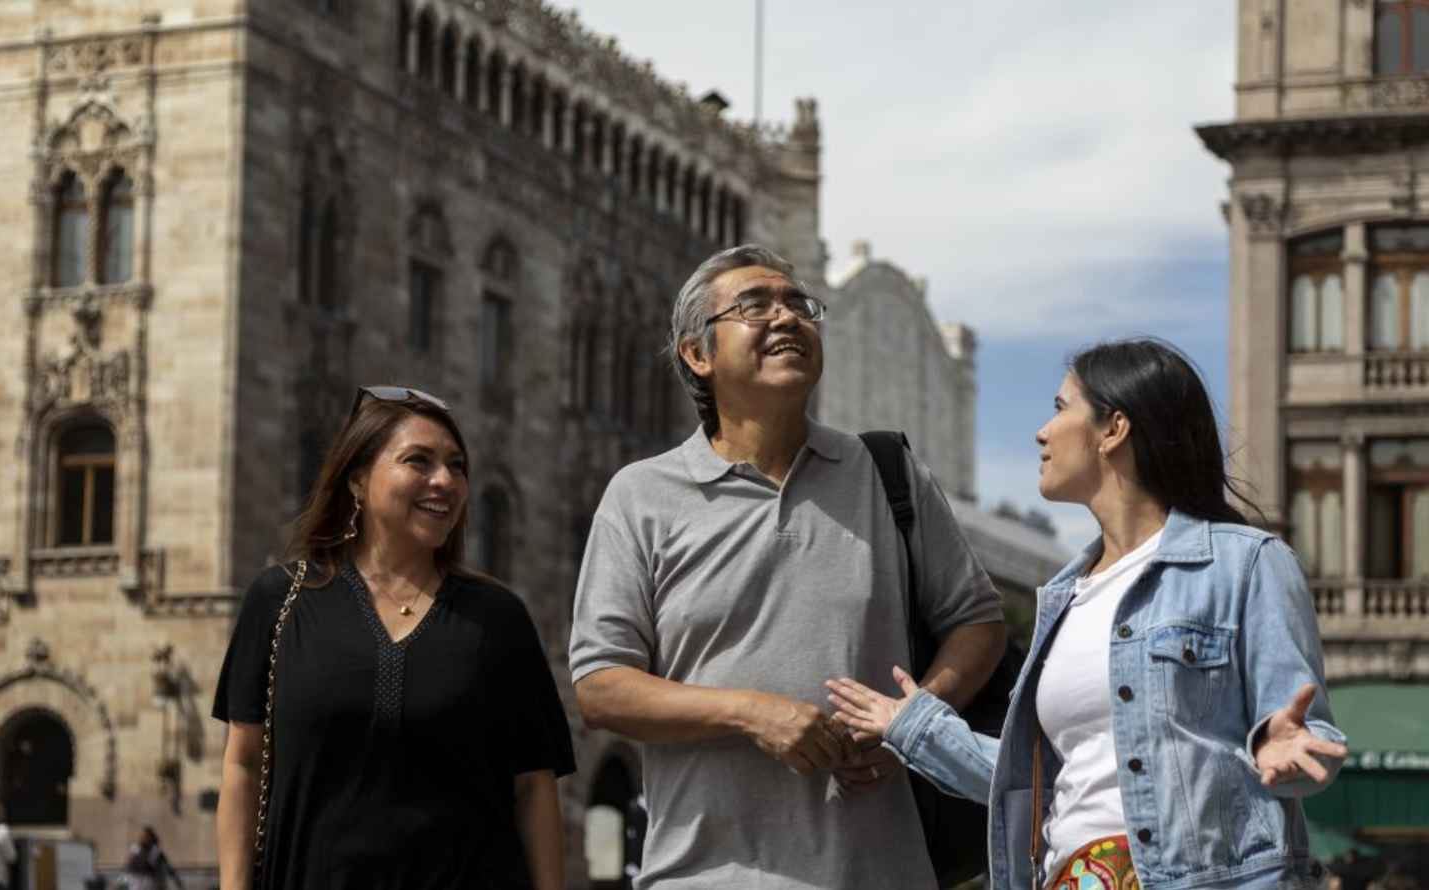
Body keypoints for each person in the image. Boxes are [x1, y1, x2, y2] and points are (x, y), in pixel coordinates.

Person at [827, 338, 1348, 890]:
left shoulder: (1246, 563)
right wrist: (913, 727)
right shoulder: (1064, 597)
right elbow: (1039, 786)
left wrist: (1279, 744)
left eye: (1059, 408)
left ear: (1113, 429)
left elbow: (1309, 732)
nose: (1041, 432)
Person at [570, 244, 1007, 889]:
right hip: (702, 877)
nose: (787, 318)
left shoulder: (889, 475)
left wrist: (912, 729)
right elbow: (600, 686)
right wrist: (750, 712)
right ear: (698, 354)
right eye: (754, 306)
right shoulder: (641, 495)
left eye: (798, 304)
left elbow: (979, 622)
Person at [213, 386, 575, 890]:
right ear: (357, 479)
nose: (444, 481)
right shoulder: (280, 601)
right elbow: (243, 763)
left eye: (457, 465)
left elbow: (534, 787)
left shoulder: (498, 619)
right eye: (418, 461)